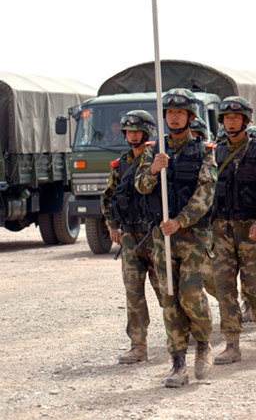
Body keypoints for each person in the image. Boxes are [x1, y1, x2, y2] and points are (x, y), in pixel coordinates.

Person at [135, 88, 216, 388]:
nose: (173, 117)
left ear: (190, 117)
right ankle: (178, 363)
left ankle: (203, 345)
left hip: (193, 235)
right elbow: (141, 186)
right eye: (169, 112)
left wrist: (181, 220)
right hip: (162, 237)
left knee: (191, 295)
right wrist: (154, 170)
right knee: (170, 299)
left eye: (179, 112)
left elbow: (206, 192)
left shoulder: (206, 150)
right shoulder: (153, 151)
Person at [209, 97, 256, 364]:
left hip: (251, 228)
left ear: (246, 121)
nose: (231, 121)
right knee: (225, 287)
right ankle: (231, 344)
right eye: (227, 118)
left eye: (235, 117)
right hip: (222, 229)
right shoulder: (214, 152)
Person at [101, 110, 163, 365]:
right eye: (129, 131)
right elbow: (108, 197)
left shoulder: (158, 159)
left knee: (167, 290)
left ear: (147, 133)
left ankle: (183, 336)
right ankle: (138, 345)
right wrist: (112, 225)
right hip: (129, 236)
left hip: (155, 234)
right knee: (133, 291)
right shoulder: (121, 164)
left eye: (137, 131)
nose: (133, 135)